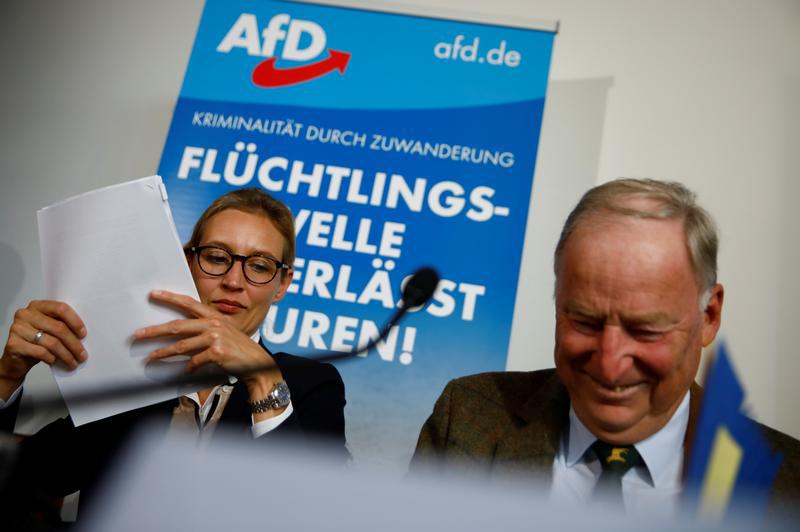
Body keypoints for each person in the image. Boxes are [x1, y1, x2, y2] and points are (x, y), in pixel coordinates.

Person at [410, 178, 800, 515]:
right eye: (585, 322)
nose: (610, 364)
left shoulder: (786, 486)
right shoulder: (468, 421)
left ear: (709, 316)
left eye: (645, 330)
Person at [0, 187, 347, 523]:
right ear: (187, 263)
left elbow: (315, 515)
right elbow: (13, 483)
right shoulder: (132, 373)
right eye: (217, 258)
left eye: (259, 266)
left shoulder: (312, 385)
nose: (233, 281)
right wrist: (7, 376)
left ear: (282, 284)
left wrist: (262, 378)